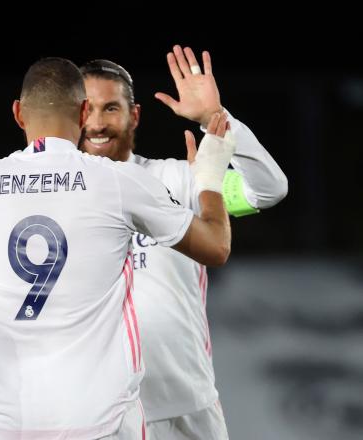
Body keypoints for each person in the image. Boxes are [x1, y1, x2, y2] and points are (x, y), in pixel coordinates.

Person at [0, 57, 234, 439]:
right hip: (103, 423)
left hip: (9, 426)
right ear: (84, 110)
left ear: (19, 114)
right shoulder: (118, 182)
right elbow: (216, 247)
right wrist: (209, 178)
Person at [78, 48, 287, 439]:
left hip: (185, 410)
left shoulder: (183, 180)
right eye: (87, 110)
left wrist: (215, 120)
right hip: (98, 414)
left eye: (110, 109)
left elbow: (268, 190)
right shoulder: (56, 198)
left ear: (134, 115)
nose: (97, 124)